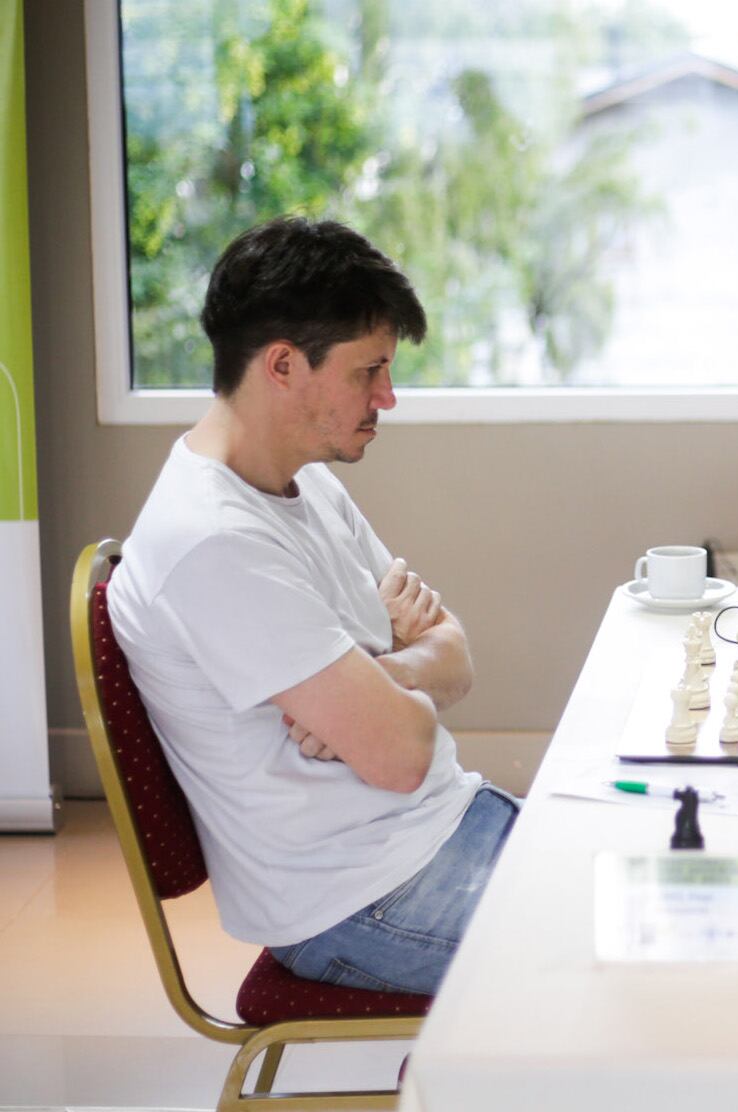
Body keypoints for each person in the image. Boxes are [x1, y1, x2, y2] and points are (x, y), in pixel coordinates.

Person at [108, 216, 516, 997]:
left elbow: (456, 657)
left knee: (646, 885)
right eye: (369, 372)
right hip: (359, 898)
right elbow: (400, 756)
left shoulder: (306, 482)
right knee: (635, 953)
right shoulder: (212, 541)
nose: (388, 397)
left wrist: (381, 676)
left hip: (433, 830)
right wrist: (405, 694)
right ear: (284, 365)